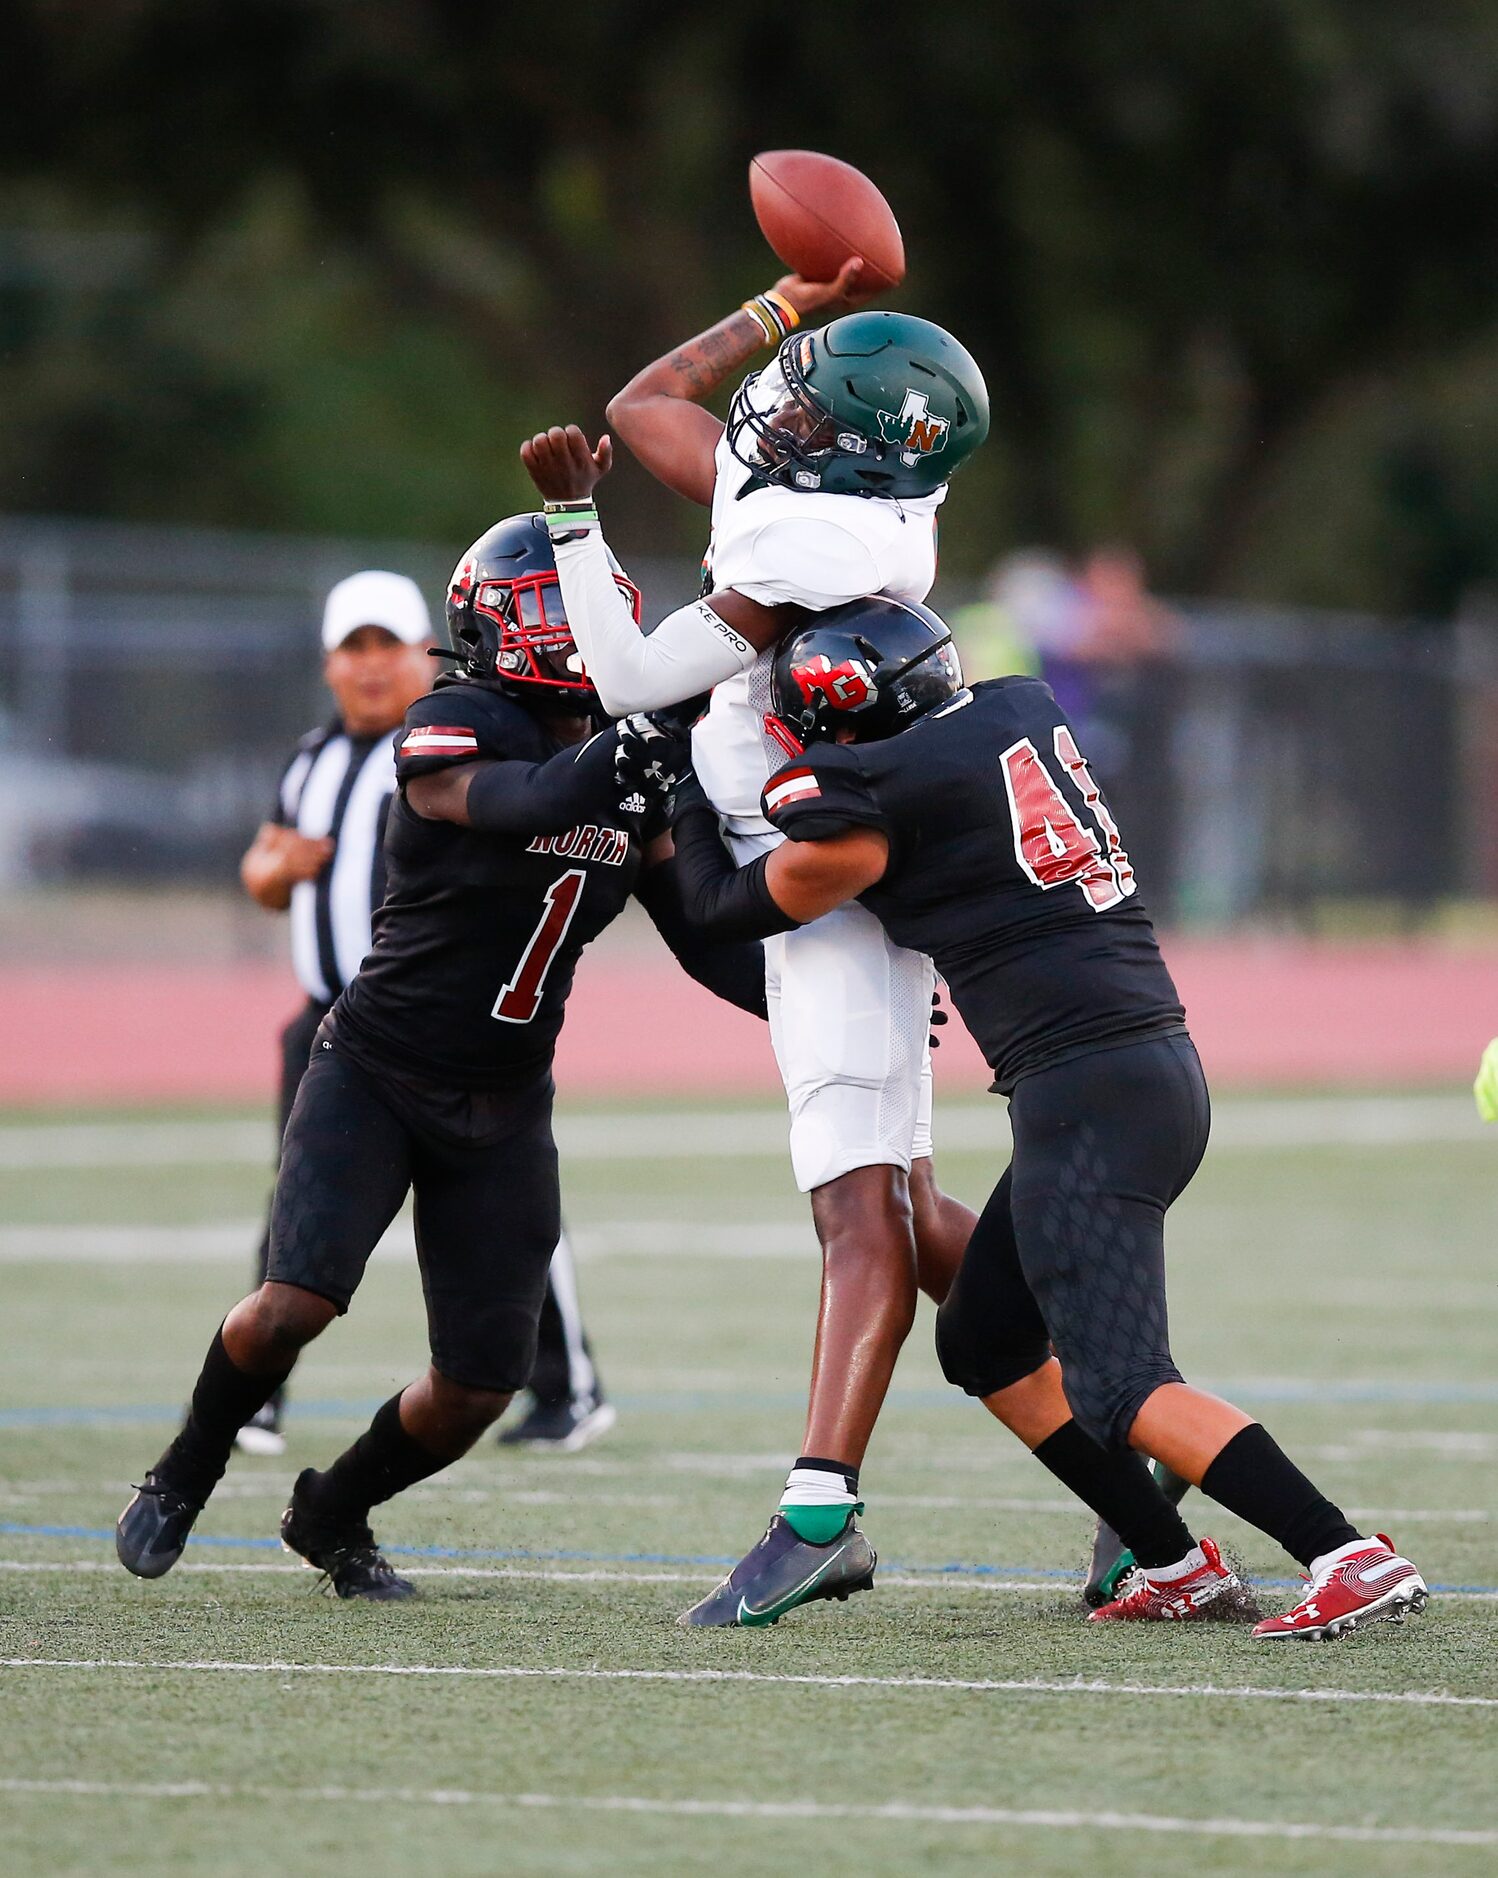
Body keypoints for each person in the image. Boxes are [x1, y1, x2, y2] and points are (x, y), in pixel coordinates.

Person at [518, 298, 1217, 1633]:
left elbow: (621, 676)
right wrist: (791, 297)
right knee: (903, 1207)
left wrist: (568, 522)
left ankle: (820, 1510)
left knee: (857, 1209)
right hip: (795, 864)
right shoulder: (819, 492)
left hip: (818, 876)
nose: (774, 412)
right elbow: (646, 407)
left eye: (808, 400)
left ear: (858, 452)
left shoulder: (813, 538)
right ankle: (1131, 1497)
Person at [666, 594, 1429, 1640]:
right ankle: (1170, 1561)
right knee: (982, 1338)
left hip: (1089, 1093)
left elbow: (724, 905)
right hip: (1134, 1069)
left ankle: (1343, 1550)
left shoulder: (870, 794)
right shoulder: (1017, 709)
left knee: (1122, 1386)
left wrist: (675, 794)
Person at [116, 515, 766, 1600]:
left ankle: (333, 1512)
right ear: (496, 619)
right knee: (295, 1302)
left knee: (479, 1384)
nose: (577, 633)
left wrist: (810, 1008)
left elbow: (703, 928)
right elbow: (516, 799)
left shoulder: (629, 755)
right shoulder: (455, 718)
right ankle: (186, 1466)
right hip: (377, 1067)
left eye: (588, 607)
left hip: (506, 1099)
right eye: (554, 608)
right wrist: (633, 746)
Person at [235, 571, 613, 1459]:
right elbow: (263, 866)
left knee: (495, 1218)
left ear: (423, 653)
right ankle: (259, 1394)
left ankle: (567, 1384)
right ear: (329, 664)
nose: (370, 668)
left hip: (440, 1026)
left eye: (386, 647)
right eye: (352, 649)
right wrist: (274, 871)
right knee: (302, 1204)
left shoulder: (454, 748)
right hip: (337, 1025)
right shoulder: (309, 759)